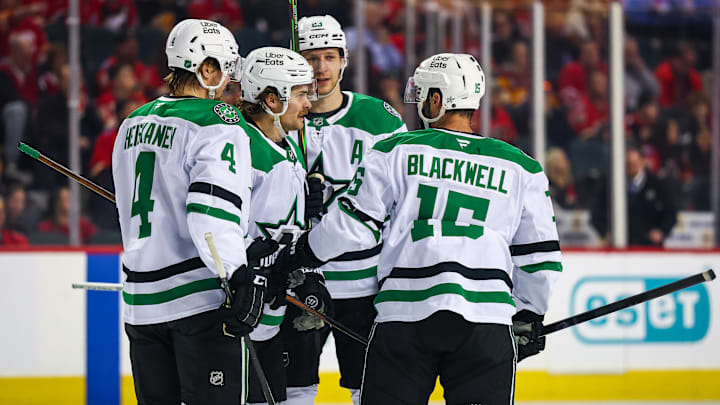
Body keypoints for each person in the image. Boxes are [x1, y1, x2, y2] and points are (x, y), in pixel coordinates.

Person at [271, 53, 562, 404]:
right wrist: (529, 312)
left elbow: (351, 226)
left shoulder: (394, 151)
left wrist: (299, 255)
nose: (419, 103)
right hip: (485, 322)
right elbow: (540, 259)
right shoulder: (521, 166)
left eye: (422, 94)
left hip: (406, 317)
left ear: (437, 100)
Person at [111, 19, 268, 405]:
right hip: (196, 302)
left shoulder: (132, 121)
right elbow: (211, 209)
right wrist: (238, 274)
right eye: (225, 69)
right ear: (206, 68)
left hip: (141, 305)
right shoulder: (217, 120)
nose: (231, 82)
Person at [289, 14, 407, 405]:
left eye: (329, 56)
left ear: (344, 60)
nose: (320, 68)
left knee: (369, 391)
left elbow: (404, 203)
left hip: (364, 285)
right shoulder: (278, 121)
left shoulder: (378, 120)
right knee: (293, 391)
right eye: (309, 57)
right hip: (297, 281)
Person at [235, 46, 332, 405]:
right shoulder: (241, 146)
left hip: (272, 309)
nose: (310, 103)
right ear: (272, 99)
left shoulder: (287, 143)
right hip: (244, 308)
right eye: (302, 95)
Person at [591, 143, 678, 246]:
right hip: (619, 245)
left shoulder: (657, 184)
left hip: (650, 247)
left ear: (642, 162)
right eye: (627, 164)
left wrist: (662, 231)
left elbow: (671, 212)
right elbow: (597, 213)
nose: (630, 167)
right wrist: (605, 233)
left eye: (633, 164)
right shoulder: (609, 185)